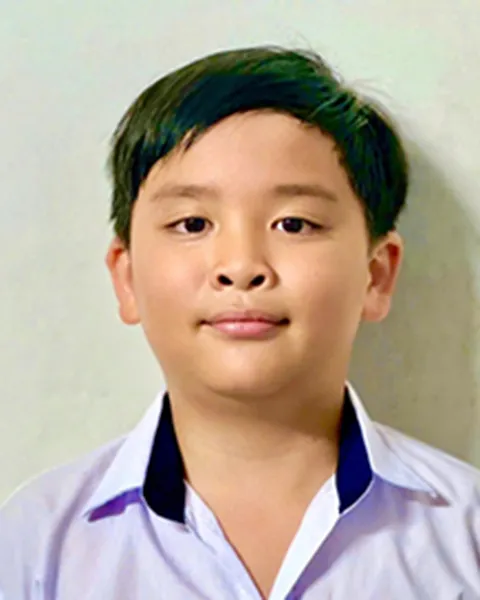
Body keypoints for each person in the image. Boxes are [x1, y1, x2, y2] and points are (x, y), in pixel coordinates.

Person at [0, 45, 479, 600]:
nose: (241, 266)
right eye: (192, 223)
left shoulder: (465, 538)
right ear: (127, 279)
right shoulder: (37, 545)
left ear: (375, 276)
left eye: (294, 224)